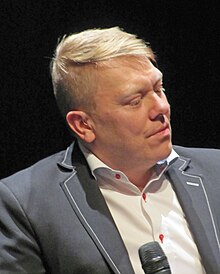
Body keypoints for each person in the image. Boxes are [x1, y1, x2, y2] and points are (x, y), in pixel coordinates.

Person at [0, 27, 220, 274]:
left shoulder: (216, 172)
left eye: (159, 89)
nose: (161, 108)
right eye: (134, 101)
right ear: (83, 125)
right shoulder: (25, 205)